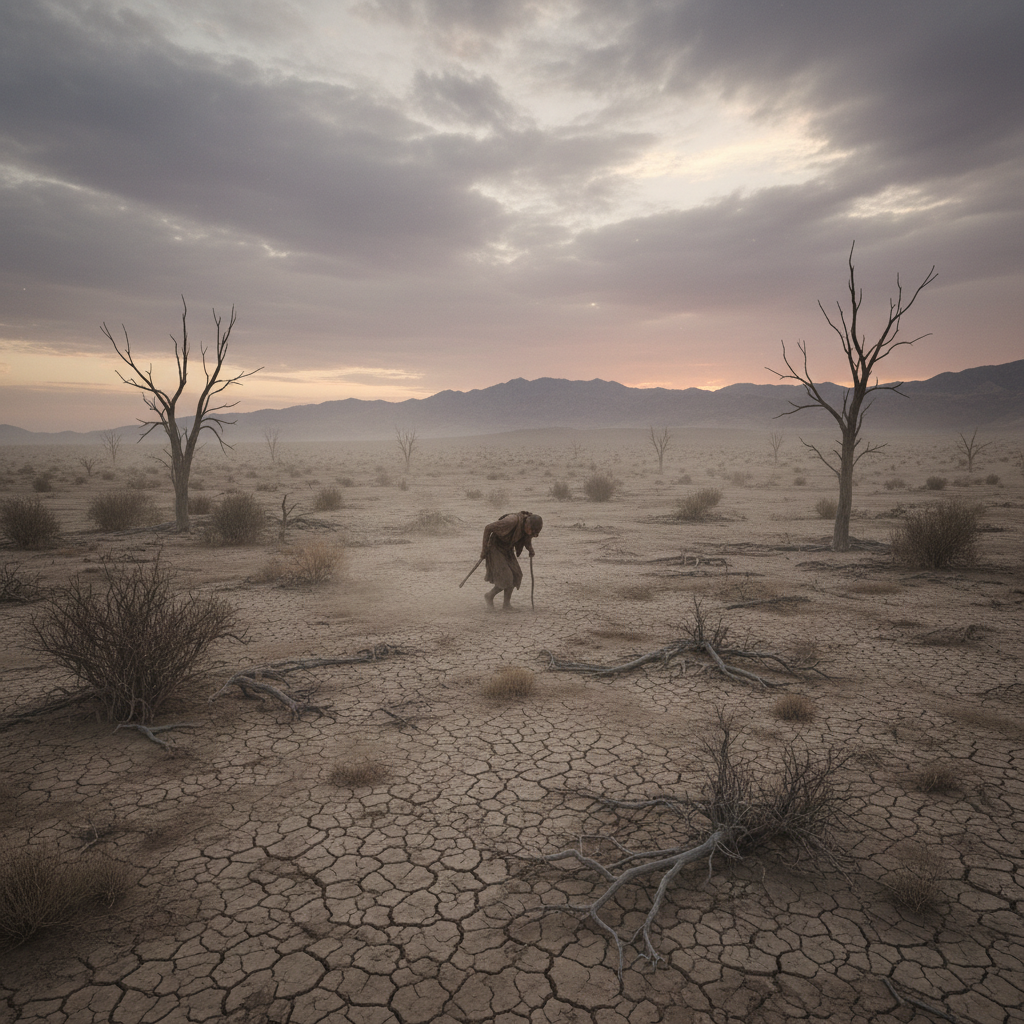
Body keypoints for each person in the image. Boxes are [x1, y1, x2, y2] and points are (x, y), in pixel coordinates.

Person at [481, 510, 543, 611]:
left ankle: (506, 605)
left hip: (507, 548)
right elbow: (488, 528)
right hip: (495, 547)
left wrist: (530, 549)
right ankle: (489, 596)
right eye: (531, 531)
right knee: (506, 577)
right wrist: (484, 550)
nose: (531, 534)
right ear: (527, 524)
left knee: (516, 575)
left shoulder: (527, 526)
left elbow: (527, 538)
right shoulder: (511, 521)